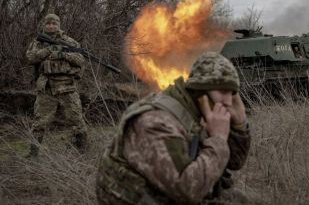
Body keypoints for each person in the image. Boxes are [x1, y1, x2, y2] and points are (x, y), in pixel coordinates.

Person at [96, 52, 251, 204]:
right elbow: (187, 191)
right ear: (200, 90)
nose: (229, 102)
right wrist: (218, 139)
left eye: (232, 93)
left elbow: (234, 162)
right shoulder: (157, 122)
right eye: (223, 91)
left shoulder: (200, 111)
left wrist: (239, 123)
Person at [26, 13, 86, 156]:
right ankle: (33, 154)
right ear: (44, 25)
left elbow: (80, 60)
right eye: (48, 23)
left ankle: (82, 151)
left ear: (59, 25)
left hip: (67, 86)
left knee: (76, 119)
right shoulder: (37, 42)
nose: (51, 26)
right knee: (39, 122)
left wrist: (62, 54)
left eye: (54, 23)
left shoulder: (69, 42)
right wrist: (48, 50)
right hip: (46, 87)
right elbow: (30, 58)